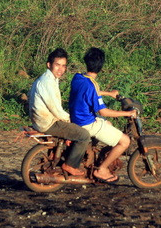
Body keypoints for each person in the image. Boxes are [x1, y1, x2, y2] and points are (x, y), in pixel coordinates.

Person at [68, 47, 138, 183]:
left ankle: (92, 153)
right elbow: (103, 111)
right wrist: (127, 113)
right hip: (87, 123)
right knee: (125, 141)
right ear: (101, 66)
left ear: (87, 62)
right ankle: (102, 169)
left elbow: (92, 93)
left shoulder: (78, 77)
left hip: (77, 118)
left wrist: (109, 93)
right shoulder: (92, 85)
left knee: (108, 123)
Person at [27, 48, 91, 177]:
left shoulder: (48, 79)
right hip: (48, 122)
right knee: (84, 135)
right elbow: (56, 110)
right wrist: (71, 121)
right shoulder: (47, 82)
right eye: (57, 65)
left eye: (63, 66)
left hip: (43, 119)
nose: (60, 69)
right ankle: (71, 165)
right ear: (49, 65)